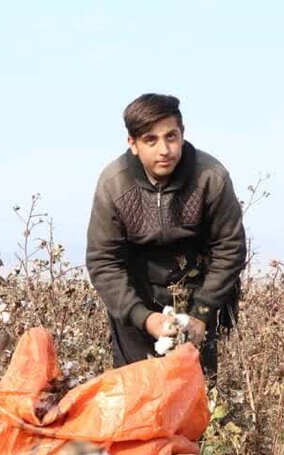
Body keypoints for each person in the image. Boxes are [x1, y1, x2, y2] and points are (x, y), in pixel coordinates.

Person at [85, 93, 246, 384]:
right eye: (151, 140)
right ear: (132, 144)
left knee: (197, 393)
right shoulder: (114, 183)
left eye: (171, 137)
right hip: (136, 294)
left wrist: (202, 314)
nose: (164, 150)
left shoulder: (211, 177)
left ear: (182, 135)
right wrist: (143, 317)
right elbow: (103, 261)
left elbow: (230, 249)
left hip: (197, 288)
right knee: (136, 394)